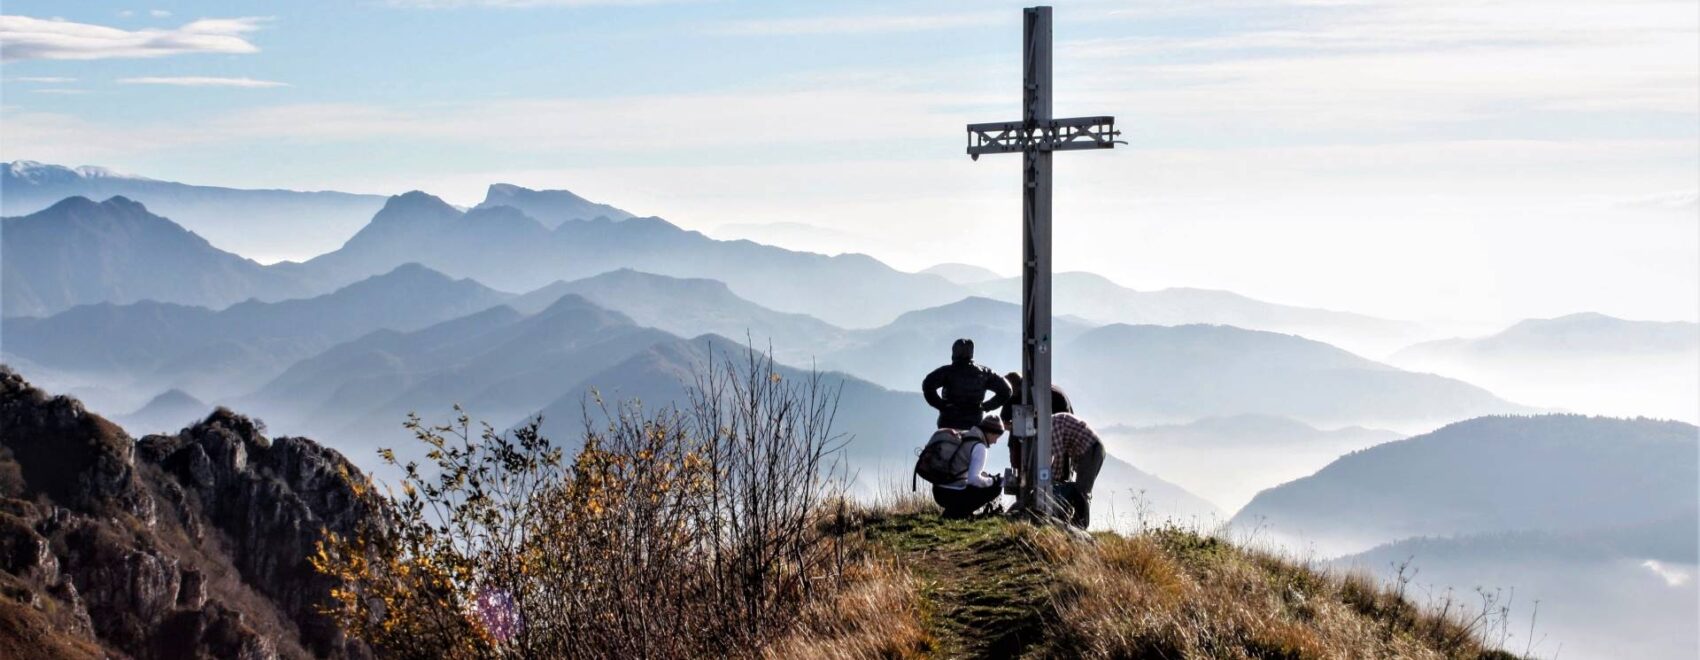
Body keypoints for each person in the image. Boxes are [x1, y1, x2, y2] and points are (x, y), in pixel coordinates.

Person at [921, 339, 1012, 431]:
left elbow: (927, 385)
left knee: (946, 444)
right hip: (974, 423)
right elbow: (1006, 390)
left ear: (954, 352)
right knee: (972, 444)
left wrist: (941, 405)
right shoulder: (985, 373)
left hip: (948, 421)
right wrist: (985, 406)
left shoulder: (947, 371)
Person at [930, 416, 1007, 518]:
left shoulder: (965, 435)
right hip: (951, 494)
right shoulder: (980, 447)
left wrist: (987, 477)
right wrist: (994, 481)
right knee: (995, 487)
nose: (995, 442)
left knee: (985, 480)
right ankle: (957, 513)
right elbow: (973, 480)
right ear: (990, 432)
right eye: (996, 437)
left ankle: (955, 511)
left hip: (938, 491)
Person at [999, 371, 1075, 467]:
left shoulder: (1050, 395)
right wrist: (1019, 426)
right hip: (1055, 437)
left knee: (1057, 469)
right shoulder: (1016, 396)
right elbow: (1002, 423)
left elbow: (1057, 426)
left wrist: (1025, 426)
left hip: (1057, 438)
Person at [1050, 412, 1106, 528]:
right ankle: (1075, 521)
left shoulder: (1052, 426)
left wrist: (1052, 480)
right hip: (1090, 449)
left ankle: (1081, 525)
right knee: (1080, 488)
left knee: (1082, 490)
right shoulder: (1054, 421)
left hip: (1090, 448)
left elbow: (1058, 457)